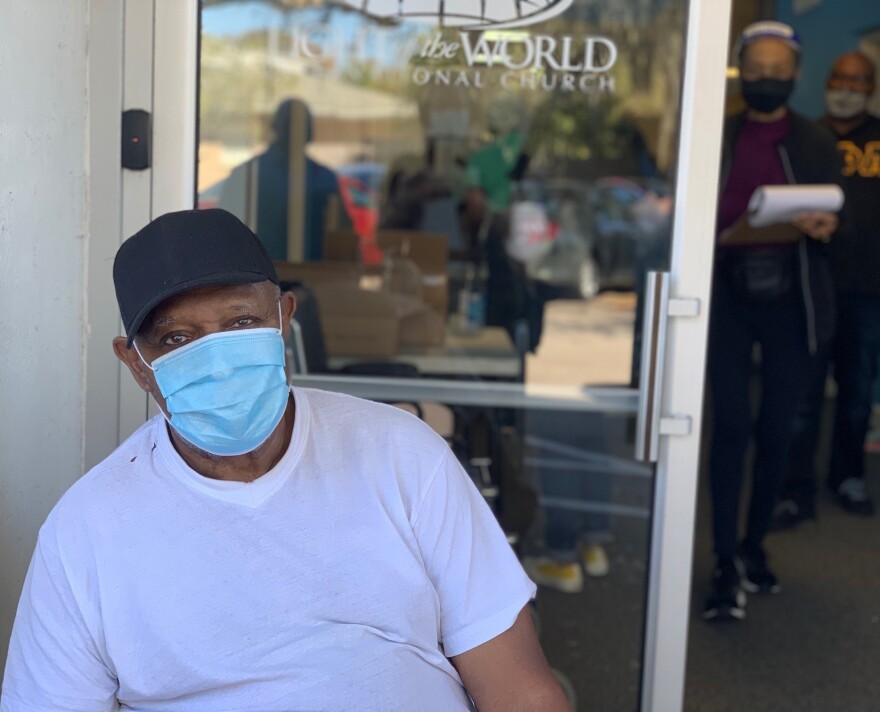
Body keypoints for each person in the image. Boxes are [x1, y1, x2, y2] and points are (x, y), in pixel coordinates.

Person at [0, 209, 571, 711]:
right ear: (135, 363)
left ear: (283, 319)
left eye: (241, 323)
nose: (217, 361)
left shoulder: (402, 456)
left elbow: (519, 690)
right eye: (177, 339)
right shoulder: (84, 533)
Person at [702, 22, 842, 622]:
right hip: (727, 296)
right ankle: (723, 558)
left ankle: (756, 547)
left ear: (795, 74)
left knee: (777, 431)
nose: (766, 78)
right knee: (731, 426)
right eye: (755, 68)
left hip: (792, 299)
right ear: (739, 70)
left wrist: (825, 226)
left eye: (777, 69)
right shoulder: (716, 136)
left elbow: (846, 217)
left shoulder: (814, 141)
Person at [775, 51, 879, 527]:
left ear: (870, 88)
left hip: (868, 289)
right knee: (804, 393)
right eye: (839, 77)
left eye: (858, 81)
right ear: (825, 82)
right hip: (809, 283)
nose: (846, 86)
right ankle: (795, 489)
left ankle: (847, 476)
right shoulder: (806, 138)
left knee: (856, 390)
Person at [219, 98, 341, 262]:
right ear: (277, 127)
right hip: (255, 281)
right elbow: (224, 238)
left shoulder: (325, 179)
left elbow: (340, 240)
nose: (296, 130)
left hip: (316, 279)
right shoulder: (246, 176)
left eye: (302, 125)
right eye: (290, 123)